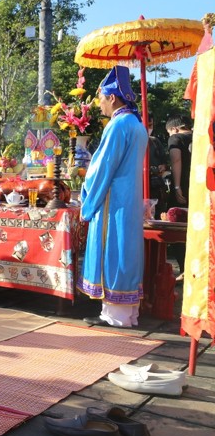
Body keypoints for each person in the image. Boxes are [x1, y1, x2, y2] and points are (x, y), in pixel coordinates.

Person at [79, 66, 148, 328]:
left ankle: (114, 316)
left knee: (113, 251)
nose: (99, 105)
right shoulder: (136, 124)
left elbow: (103, 166)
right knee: (126, 250)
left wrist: (87, 198)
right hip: (129, 199)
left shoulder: (118, 125)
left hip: (114, 201)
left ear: (113, 98)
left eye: (101, 99)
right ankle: (127, 314)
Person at [166, 114, 193, 276]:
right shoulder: (203, 135)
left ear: (174, 129)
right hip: (202, 188)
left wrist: (176, 187)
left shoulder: (176, 138)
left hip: (183, 187)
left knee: (176, 224)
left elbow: (176, 160)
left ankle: (184, 268)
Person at [147, 113, 169, 218]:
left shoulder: (155, 141)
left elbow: (165, 161)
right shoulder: (132, 142)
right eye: (145, 124)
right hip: (138, 187)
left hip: (156, 186)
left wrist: (163, 166)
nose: (148, 128)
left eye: (150, 125)